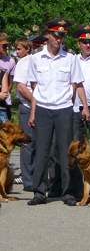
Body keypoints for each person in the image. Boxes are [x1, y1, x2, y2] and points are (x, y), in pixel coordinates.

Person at [26, 18, 84, 206]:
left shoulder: (70, 57)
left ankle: (68, 192)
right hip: (43, 107)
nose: (60, 40)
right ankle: (39, 192)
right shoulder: (36, 58)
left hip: (63, 108)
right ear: (48, 35)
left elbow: (74, 83)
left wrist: (68, 101)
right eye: (56, 36)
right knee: (42, 151)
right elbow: (34, 84)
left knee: (65, 150)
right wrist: (35, 110)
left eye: (62, 36)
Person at [13, 37, 35, 191]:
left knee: (40, 144)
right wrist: (35, 101)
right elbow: (21, 87)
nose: (17, 52)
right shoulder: (22, 63)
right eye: (16, 49)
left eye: (19, 49)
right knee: (26, 143)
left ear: (28, 49)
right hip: (28, 106)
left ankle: (38, 178)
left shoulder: (32, 61)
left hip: (40, 107)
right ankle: (28, 180)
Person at [0, 33, 16, 120]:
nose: (7, 48)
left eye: (8, 45)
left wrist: (5, 94)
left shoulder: (10, 61)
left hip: (5, 104)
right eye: (4, 45)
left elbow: (10, 82)